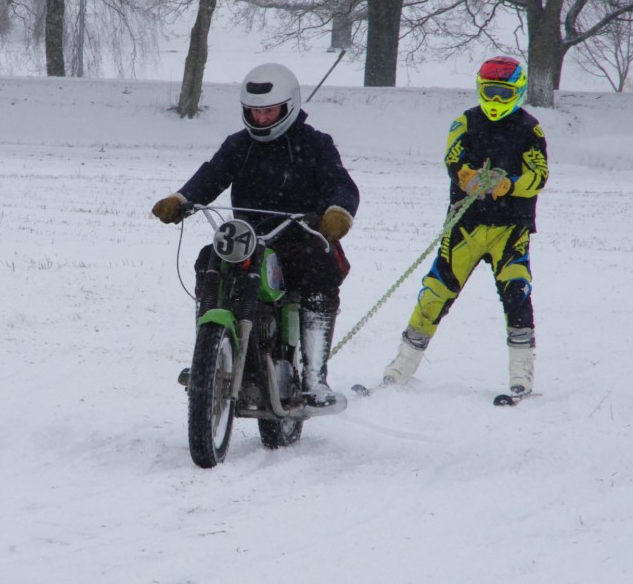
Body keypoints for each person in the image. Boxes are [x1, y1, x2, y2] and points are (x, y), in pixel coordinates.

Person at [151, 62, 360, 406]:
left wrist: (338, 212)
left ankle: (314, 377)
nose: (260, 118)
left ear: (289, 106)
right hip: (247, 240)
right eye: (254, 112)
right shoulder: (239, 145)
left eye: (268, 111)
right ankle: (207, 355)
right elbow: (211, 176)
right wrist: (181, 199)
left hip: (299, 237)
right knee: (208, 258)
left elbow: (340, 183)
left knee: (320, 264)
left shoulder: (315, 144)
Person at [383, 55, 549, 395]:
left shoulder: (530, 129)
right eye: (491, 92)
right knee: (435, 292)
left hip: (510, 228)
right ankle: (403, 362)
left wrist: (509, 184)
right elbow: (452, 159)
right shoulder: (465, 122)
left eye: (504, 93)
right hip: (465, 226)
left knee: (516, 292)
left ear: (517, 92)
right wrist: (467, 176)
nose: (496, 100)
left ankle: (522, 370)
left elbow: (540, 175)